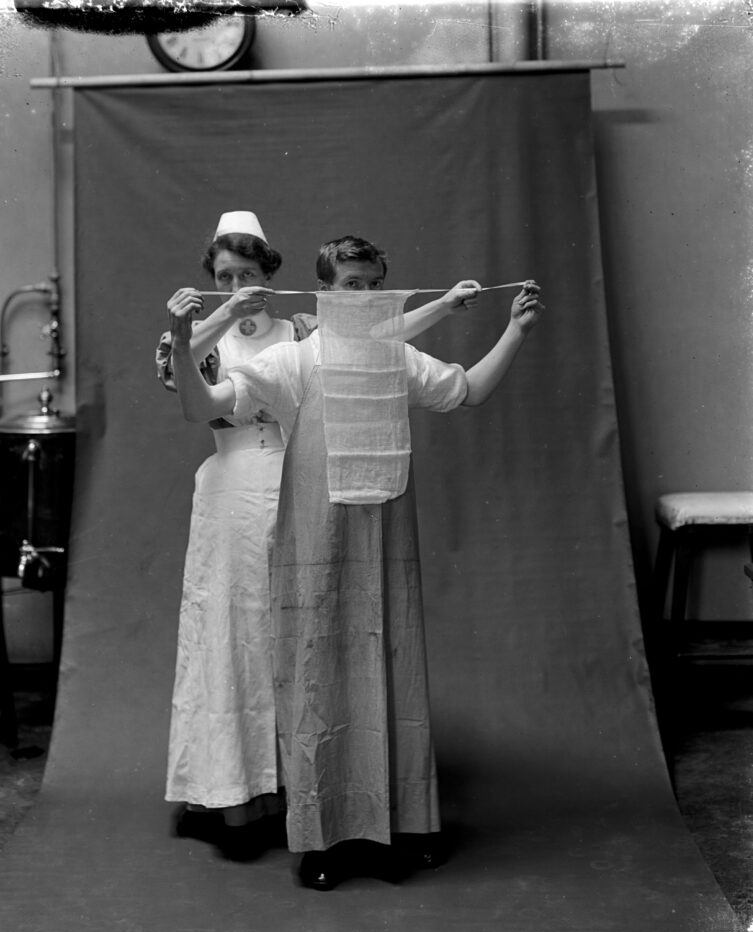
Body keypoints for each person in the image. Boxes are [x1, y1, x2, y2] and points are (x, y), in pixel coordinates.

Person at [167, 235, 544, 888]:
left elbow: (468, 390)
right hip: (313, 541)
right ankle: (323, 841)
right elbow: (203, 403)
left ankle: (397, 827)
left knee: (390, 674)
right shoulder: (295, 360)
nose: (363, 298)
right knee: (317, 681)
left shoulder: (393, 357)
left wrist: (513, 332)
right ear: (324, 293)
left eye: (373, 287)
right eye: (349, 287)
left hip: (387, 545)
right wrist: (182, 335)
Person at [156, 211, 315, 861]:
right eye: (225, 276)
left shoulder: (298, 333)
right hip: (227, 490)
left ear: (270, 273)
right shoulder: (200, 336)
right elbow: (189, 395)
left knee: (288, 630)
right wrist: (190, 324)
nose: (237, 284)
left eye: (248, 273)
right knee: (227, 631)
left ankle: (295, 789)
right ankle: (224, 791)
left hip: (291, 479)